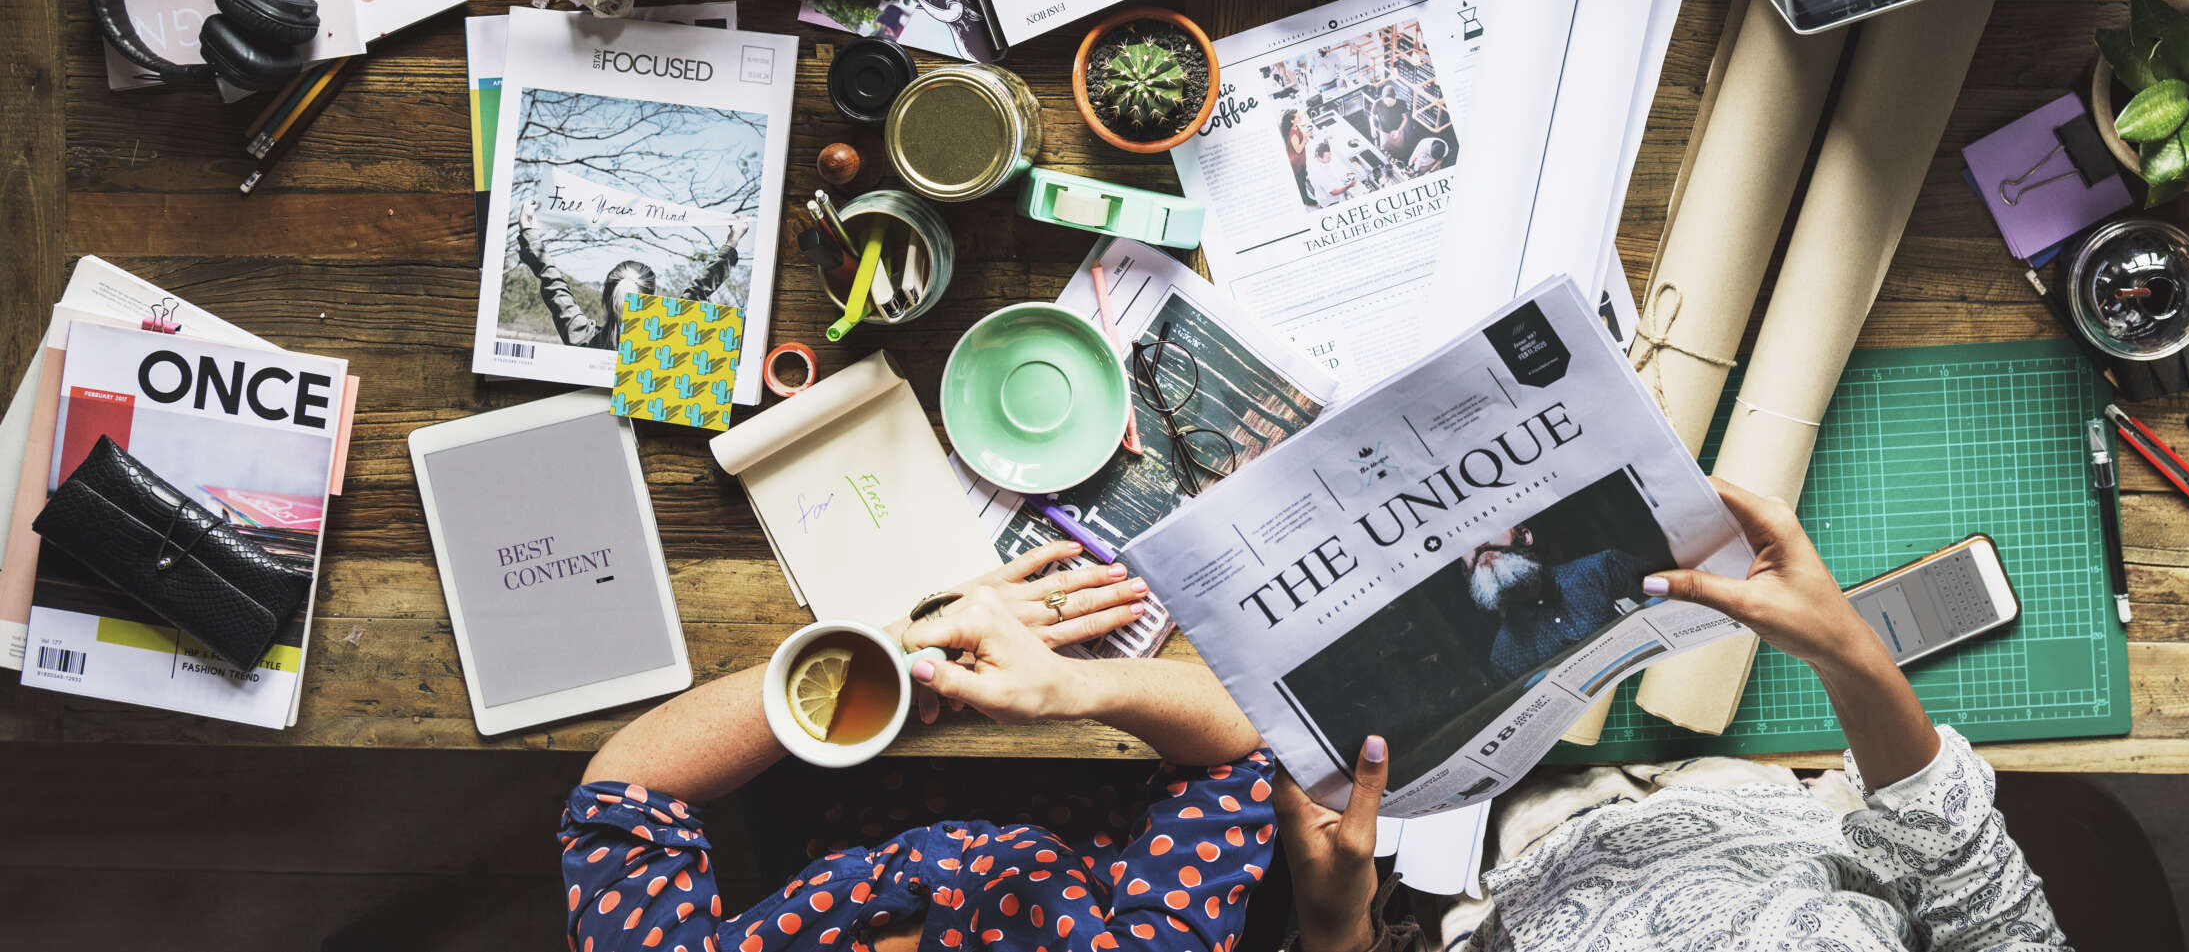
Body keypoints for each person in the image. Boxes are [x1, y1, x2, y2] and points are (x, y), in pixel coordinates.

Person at [1278, 480, 2064, 951]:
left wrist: (1337, 931)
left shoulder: (1588, 576)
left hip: (1509, 850)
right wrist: (1849, 652)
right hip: (1753, 801)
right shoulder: (1526, 627)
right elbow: (1984, 898)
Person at [561, 546, 1278, 952]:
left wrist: (893, 642)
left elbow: (622, 795)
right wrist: (1068, 686)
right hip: (1089, 761)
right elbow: (1233, 757)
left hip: (828, 771)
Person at [514, 203, 743, 350]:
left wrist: (529, 231)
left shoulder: (582, 338)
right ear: (651, 296)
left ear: (606, 297)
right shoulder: (668, 339)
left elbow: (554, 285)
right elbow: (697, 292)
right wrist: (731, 243)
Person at [1463, 525, 1647, 684]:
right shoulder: (1505, 657)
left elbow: (1673, 598)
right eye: (1461, 543)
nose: (1478, 543)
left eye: (1487, 527)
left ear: (1525, 536)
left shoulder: (1606, 567)